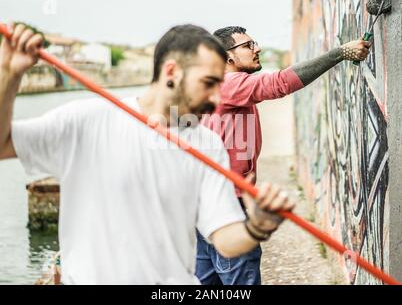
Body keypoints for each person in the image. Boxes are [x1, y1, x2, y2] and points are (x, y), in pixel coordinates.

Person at [0, 23, 294, 284]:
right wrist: (9, 73)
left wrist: (256, 226)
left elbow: (225, 241)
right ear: (171, 73)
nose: (217, 97)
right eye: (208, 84)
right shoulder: (87, 121)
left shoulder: (207, 144)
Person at [196, 26, 372, 285]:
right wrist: (341, 53)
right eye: (247, 45)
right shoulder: (229, 83)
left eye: (253, 42)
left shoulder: (207, 86)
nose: (257, 48)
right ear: (227, 58)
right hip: (229, 207)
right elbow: (279, 83)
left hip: (203, 208)